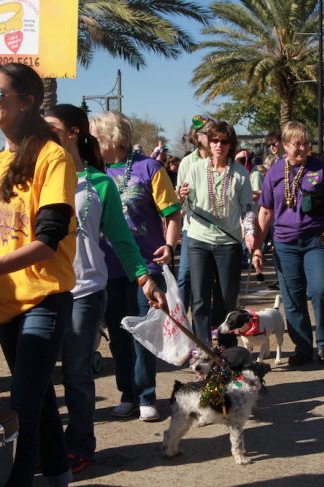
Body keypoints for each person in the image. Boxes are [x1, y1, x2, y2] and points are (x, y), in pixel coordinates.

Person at [44, 104, 167, 472]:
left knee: (77, 371)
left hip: (84, 290)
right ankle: (46, 445)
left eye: (52, 127)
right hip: (41, 291)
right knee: (39, 374)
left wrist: (144, 277)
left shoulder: (100, 183)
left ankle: (80, 444)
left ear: (73, 133)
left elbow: (122, 239)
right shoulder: (37, 177)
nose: (44, 133)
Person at [0, 62, 75, 487]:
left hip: (44, 300)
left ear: (26, 101)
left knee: (22, 406)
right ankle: (58, 475)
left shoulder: (53, 157)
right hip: (4, 303)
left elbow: (48, 240)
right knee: (39, 402)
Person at [90, 111, 181, 422]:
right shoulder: (92, 172)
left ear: (110, 138)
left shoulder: (150, 168)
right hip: (107, 266)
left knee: (142, 332)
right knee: (117, 334)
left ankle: (145, 395)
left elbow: (172, 213)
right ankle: (127, 394)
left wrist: (169, 245)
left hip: (146, 265)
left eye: (95, 137)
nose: (90, 142)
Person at [252, 121, 324, 366]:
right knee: (292, 298)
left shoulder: (321, 168)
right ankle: (303, 348)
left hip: (317, 239)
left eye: (306, 143)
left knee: (320, 289)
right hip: (285, 243)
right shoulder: (273, 172)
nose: (302, 148)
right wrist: (257, 247)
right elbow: (265, 212)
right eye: (296, 144)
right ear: (284, 145)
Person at [179, 120, 254, 345]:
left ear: (231, 144)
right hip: (198, 240)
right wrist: (180, 196)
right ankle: (203, 347)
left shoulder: (240, 174)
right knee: (200, 299)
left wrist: (249, 233)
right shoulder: (195, 168)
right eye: (214, 140)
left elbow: (247, 210)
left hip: (229, 242)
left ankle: (226, 349)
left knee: (226, 299)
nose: (218, 145)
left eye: (224, 141)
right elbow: (182, 207)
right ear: (208, 142)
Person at [176, 115, 214, 312]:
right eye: (209, 134)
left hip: (220, 231)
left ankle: (215, 326)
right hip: (192, 229)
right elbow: (177, 200)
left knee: (212, 280)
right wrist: (180, 196)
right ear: (198, 137)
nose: (214, 138)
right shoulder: (187, 163)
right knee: (185, 276)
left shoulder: (223, 161)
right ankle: (181, 324)